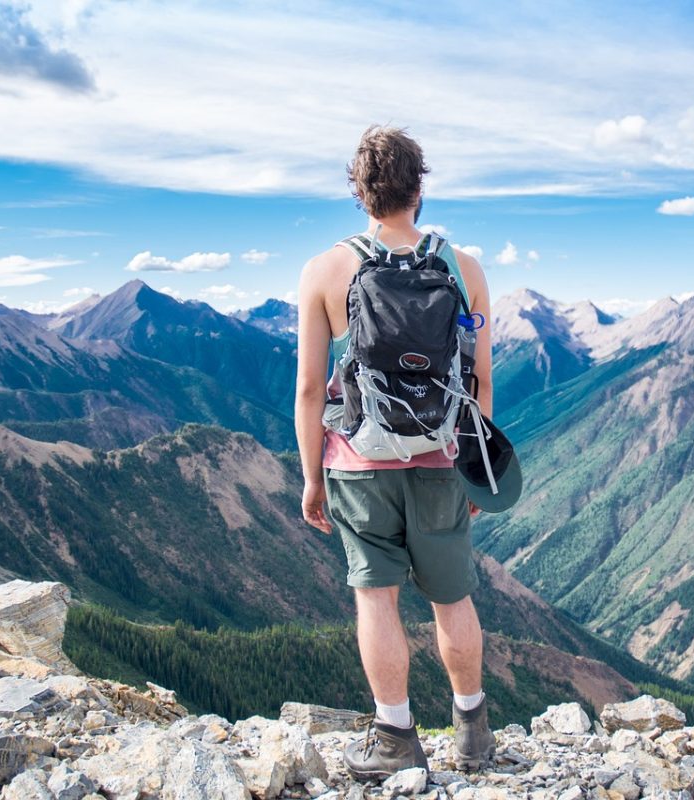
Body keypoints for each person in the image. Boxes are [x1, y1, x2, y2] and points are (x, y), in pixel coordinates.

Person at [295, 125, 495, 779]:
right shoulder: (462, 269)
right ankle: (472, 735)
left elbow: (306, 388)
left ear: (359, 192)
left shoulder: (324, 270)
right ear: (418, 186)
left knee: (376, 600)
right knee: (452, 598)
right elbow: (479, 382)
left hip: (356, 462)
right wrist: (478, 471)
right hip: (442, 459)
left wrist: (311, 480)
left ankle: (394, 739)